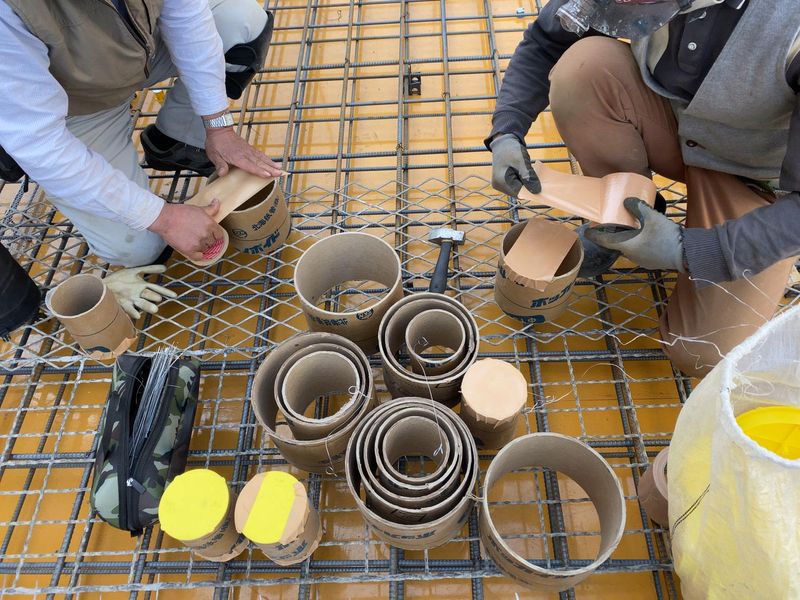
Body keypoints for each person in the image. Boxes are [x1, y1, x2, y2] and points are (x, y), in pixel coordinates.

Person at [488, 0, 800, 376]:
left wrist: (690, 250)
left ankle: (720, 243)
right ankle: (628, 210)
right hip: (679, 126)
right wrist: (507, 130)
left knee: (703, 352)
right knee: (584, 71)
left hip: (755, 177)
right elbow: (546, 40)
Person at [0, 0, 282, 268]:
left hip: (142, 51)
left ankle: (176, 140)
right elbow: (40, 142)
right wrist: (163, 218)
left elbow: (187, 17)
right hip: (75, 109)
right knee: (140, 248)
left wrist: (219, 126)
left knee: (241, 22)